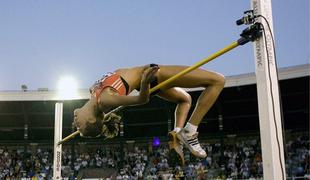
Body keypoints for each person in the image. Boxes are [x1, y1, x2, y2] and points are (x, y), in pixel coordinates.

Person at [74, 64, 225, 159]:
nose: (75, 122)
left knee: (185, 99)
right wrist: (145, 81)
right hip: (153, 76)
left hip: (149, 82)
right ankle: (190, 131)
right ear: (92, 120)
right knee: (217, 80)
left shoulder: (93, 93)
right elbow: (141, 100)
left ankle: (178, 132)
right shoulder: (105, 99)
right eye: (79, 126)